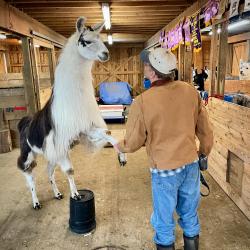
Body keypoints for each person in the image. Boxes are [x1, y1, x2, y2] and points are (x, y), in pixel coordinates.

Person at [116, 47, 213, 250]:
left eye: (146, 64)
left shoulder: (142, 101)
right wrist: (203, 153)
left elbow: (133, 141)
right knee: (189, 213)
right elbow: (205, 131)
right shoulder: (190, 91)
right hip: (191, 164)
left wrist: (120, 146)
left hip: (164, 169)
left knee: (163, 219)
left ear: (152, 72)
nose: (144, 67)